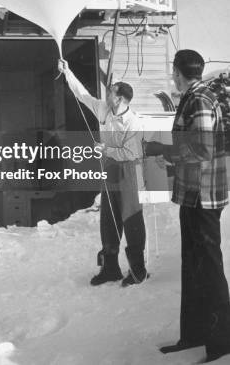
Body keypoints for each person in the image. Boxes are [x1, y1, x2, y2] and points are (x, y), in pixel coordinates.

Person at [146, 49, 230, 362]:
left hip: (205, 195)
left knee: (208, 266)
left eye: (173, 71)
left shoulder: (200, 99)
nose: (172, 76)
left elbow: (204, 149)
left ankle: (222, 342)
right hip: (194, 193)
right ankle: (194, 334)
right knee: (193, 265)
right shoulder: (193, 96)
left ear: (178, 71)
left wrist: (162, 150)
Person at [58, 59, 147, 286]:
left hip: (129, 171)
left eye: (111, 92)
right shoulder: (103, 108)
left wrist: (106, 149)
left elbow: (130, 151)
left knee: (131, 219)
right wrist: (68, 72)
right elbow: (83, 95)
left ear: (120, 98)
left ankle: (138, 271)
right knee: (108, 220)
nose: (107, 95)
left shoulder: (133, 122)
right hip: (109, 169)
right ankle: (110, 269)